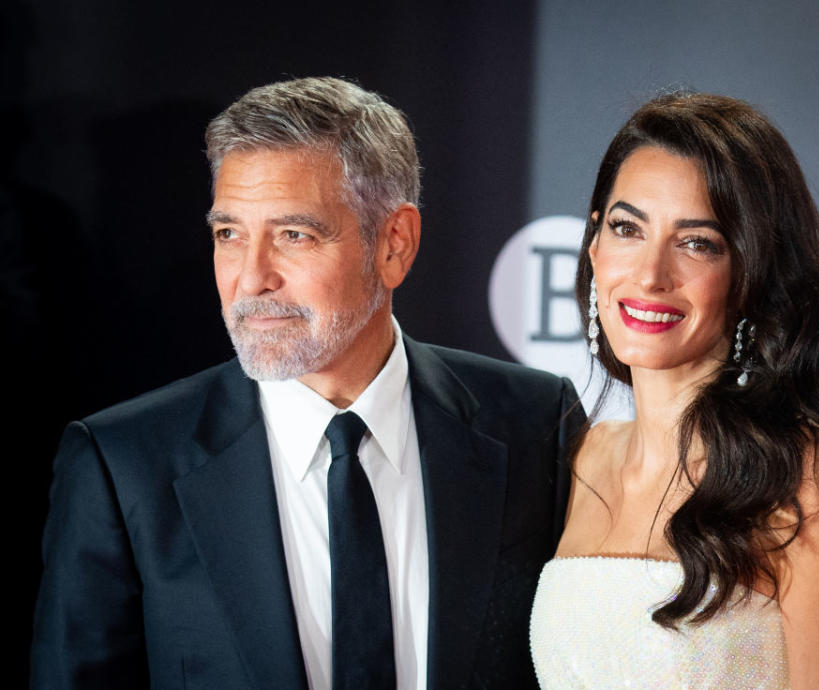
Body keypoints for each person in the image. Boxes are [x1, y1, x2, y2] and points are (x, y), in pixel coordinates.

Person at [31, 77, 584, 690]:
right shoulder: (123, 463)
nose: (250, 278)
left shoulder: (536, 424)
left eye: (294, 235)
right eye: (229, 234)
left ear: (394, 245)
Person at [529, 92, 819, 689]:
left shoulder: (799, 472)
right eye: (627, 228)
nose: (650, 275)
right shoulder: (577, 458)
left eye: (697, 243)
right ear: (593, 245)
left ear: (749, 274)